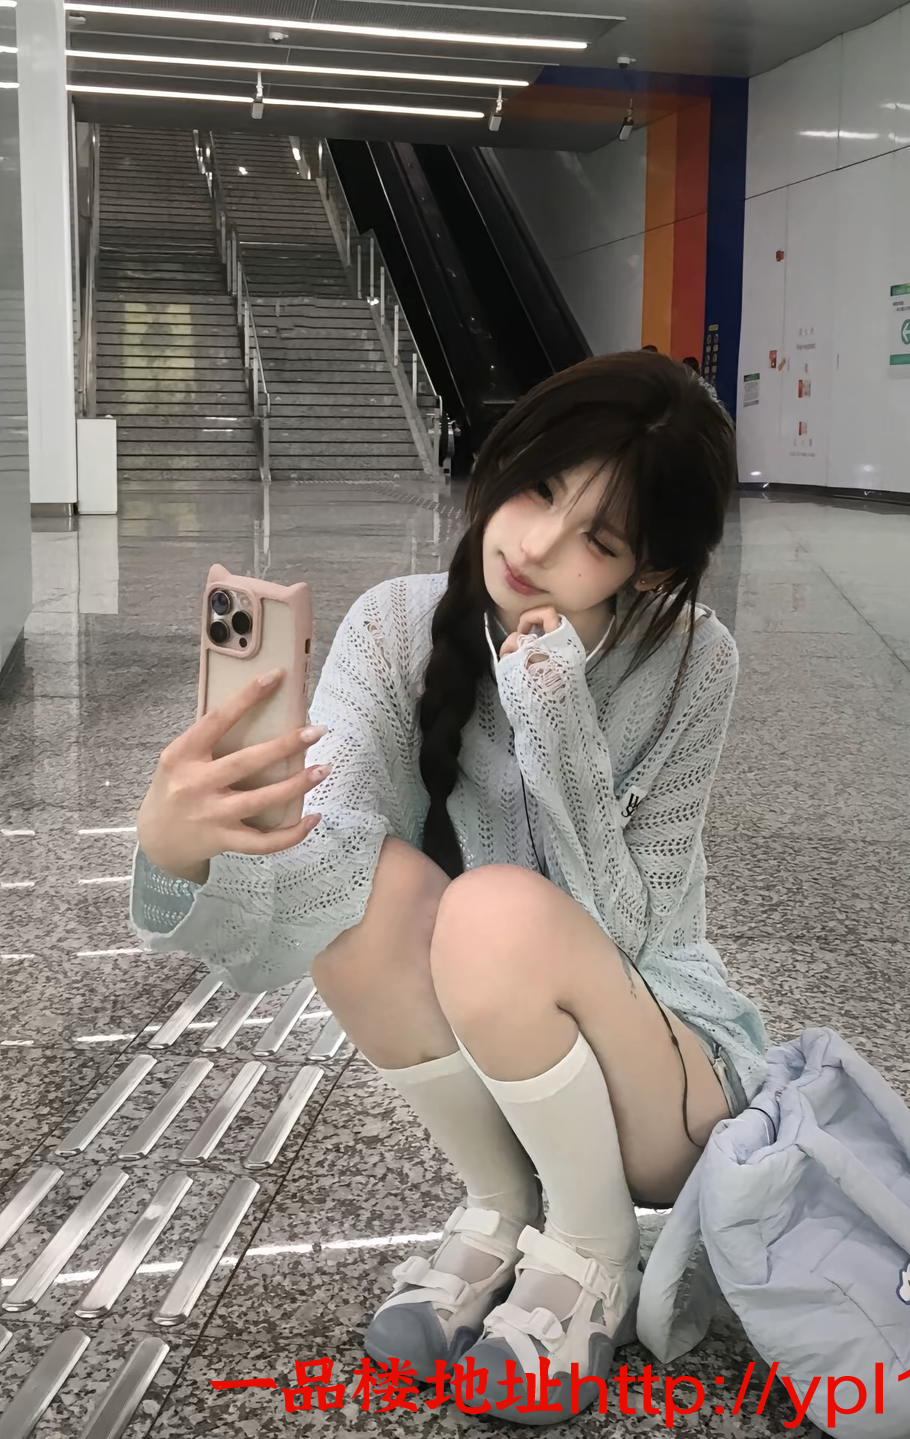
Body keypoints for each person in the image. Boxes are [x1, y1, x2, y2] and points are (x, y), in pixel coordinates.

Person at [131, 351, 767, 1423]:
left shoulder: (694, 663)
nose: (535, 544)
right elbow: (318, 887)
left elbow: (637, 928)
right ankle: (503, 1205)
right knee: (363, 894)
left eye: (598, 540)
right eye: (539, 488)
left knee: (490, 908)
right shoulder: (397, 626)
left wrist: (554, 711)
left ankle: (594, 1245)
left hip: (664, 1072)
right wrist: (184, 851)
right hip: (506, 1069)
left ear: (650, 570)